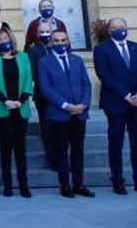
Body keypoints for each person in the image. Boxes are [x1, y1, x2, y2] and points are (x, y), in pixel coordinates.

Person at [93, 18, 137, 195]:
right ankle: (117, 181)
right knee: (115, 143)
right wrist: (127, 95)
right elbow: (104, 75)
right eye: (115, 28)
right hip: (116, 103)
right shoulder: (101, 49)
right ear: (109, 30)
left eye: (122, 27)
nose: (119, 30)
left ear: (127, 28)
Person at [38, 30, 94, 199]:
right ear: (51, 42)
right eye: (56, 40)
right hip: (59, 113)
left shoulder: (76, 60)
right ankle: (65, 185)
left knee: (78, 150)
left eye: (63, 40)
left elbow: (86, 83)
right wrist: (65, 105)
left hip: (79, 112)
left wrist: (83, 104)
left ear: (68, 41)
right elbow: (45, 87)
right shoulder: (44, 62)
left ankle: (79, 183)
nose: (60, 43)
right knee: (61, 150)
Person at [0, 28, 33, 198]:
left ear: (11, 39)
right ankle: (7, 185)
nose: (3, 40)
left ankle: (23, 185)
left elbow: (28, 80)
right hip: (1, 108)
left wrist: (20, 101)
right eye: (0, 39)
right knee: (5, 148)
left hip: (21, 108)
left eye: (6, 37)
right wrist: (6, 101)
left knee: (20, 148)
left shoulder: (23, 57)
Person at [26, 21, 56, 170]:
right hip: (43, 96)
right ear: (37, 35)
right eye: (42, 32)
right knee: (48, 129)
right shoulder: (33, 51)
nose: (45, 34)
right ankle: (53, 160)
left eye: (48, 31)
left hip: (63, 97)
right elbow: (31, 72)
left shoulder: (61, 48)